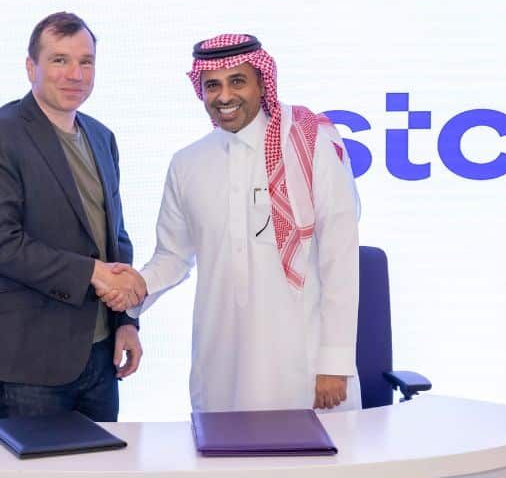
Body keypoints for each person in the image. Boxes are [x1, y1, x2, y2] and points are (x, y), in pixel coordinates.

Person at [106, 33, 360, 413]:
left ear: (262, 84)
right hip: (221, 366)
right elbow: (173, 256)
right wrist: (137, 286)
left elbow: (340, 258)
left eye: (237, 81)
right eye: (213, 85)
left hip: (302, 365)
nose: (224, 96)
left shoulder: (310, 146)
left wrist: (335, 362)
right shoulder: (187, 163)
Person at [0, 12, 146, 421]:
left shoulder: (101, 136)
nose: (75, 74)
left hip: (101, 357)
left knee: (104, 464)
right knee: (34, 467)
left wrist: (126, 320)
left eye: (86, 61)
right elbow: (2, 245)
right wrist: (93, 273)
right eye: (60, 60)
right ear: (32, 67)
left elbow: (114, 238)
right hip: (30, 361)